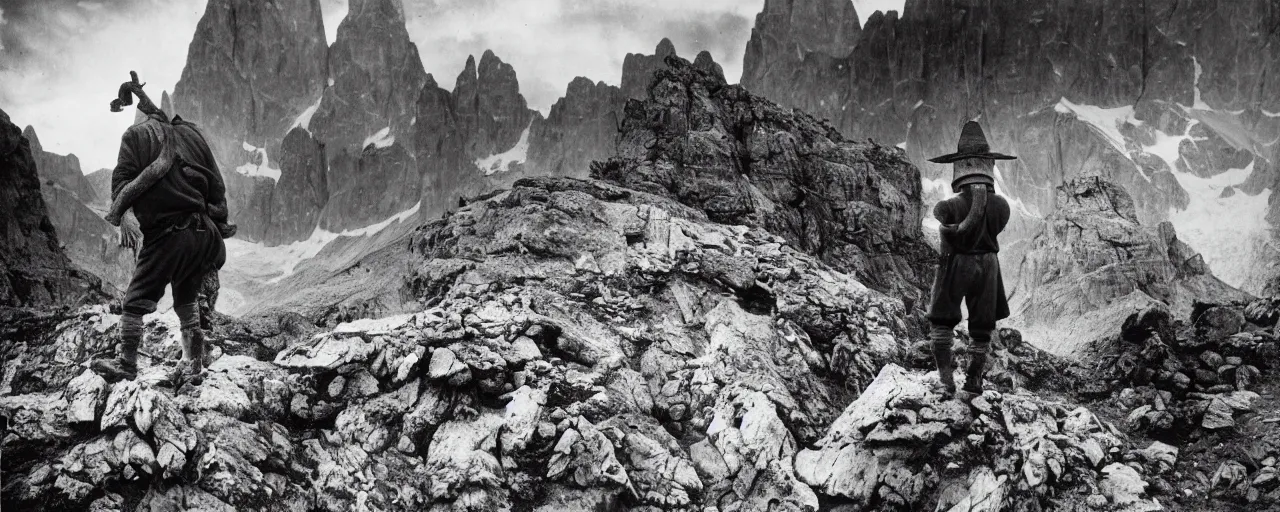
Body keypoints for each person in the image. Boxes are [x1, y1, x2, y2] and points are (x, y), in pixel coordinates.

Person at [90, 72, 232, 386]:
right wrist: (217, 221)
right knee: (187, 296)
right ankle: (193, 365)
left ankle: (126, 363)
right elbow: (217, 190)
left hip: (168, 234)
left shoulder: (135, 136)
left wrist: (122, 215)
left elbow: (121, 185)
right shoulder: (192, 135)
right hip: (204, 236)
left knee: (135, 300)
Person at [925, 121, 1014, 399]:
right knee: (982, 327)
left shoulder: (952, 206)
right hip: (989, 264)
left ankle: (946, 381)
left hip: (957, 263)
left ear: (960, 167)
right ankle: (974, 380)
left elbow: (940, 212)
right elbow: (995, 225)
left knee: (942, 321)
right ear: (988, 166)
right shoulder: (1001, 206)